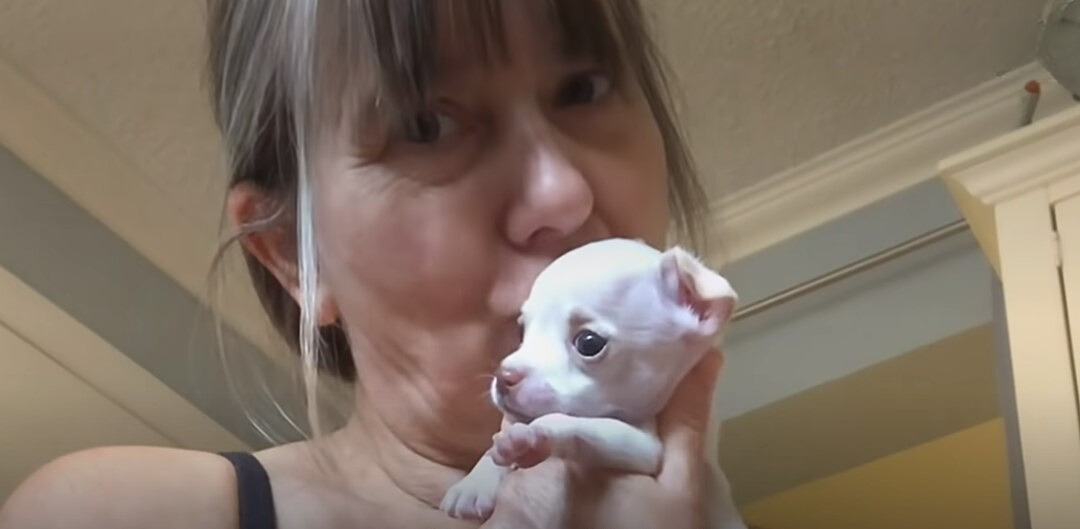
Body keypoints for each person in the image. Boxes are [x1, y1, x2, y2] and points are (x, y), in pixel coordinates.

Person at [0, 1, 740, 527]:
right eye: (426, 126)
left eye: (582, 89)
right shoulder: (120, 514)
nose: (562, 193)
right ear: (293, 255)